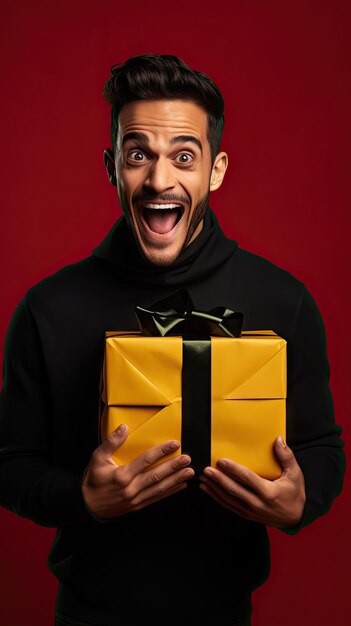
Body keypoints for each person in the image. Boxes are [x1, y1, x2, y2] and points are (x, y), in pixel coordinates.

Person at [0, 53, 345, 626]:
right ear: (113, 167)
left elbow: (322, 448)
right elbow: (11, 464)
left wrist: (298, 502)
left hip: (226, 613)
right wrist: (83, 499)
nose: (160, 180)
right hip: (88, 615)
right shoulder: (47, 308)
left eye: (184, 156)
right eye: (139, 155)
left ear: (216, 169)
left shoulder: (284, 300)